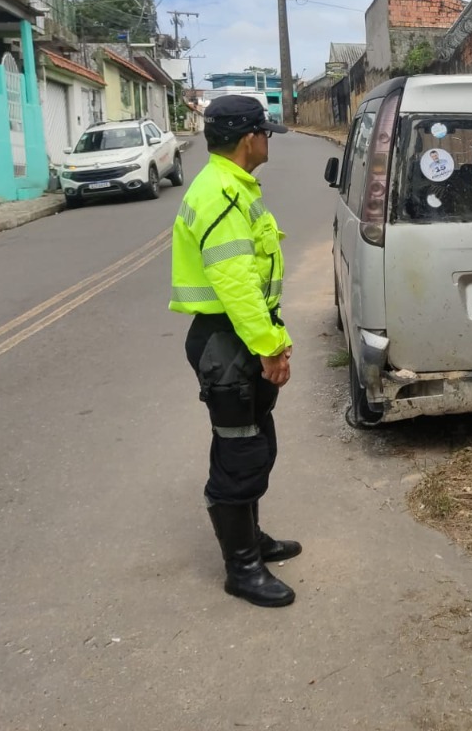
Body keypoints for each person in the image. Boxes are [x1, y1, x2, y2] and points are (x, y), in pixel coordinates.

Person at [169, 94, 300, 608]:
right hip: (229, 340)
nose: (268, 140)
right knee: (240, 450)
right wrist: (269, 348)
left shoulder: (231, 186)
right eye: (265, 132)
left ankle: (253, 540)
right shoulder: (222, 194)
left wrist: (272, 337)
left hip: (239, 335)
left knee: (255, 437)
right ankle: (241, 568)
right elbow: (237, 283)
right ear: (250, 139)